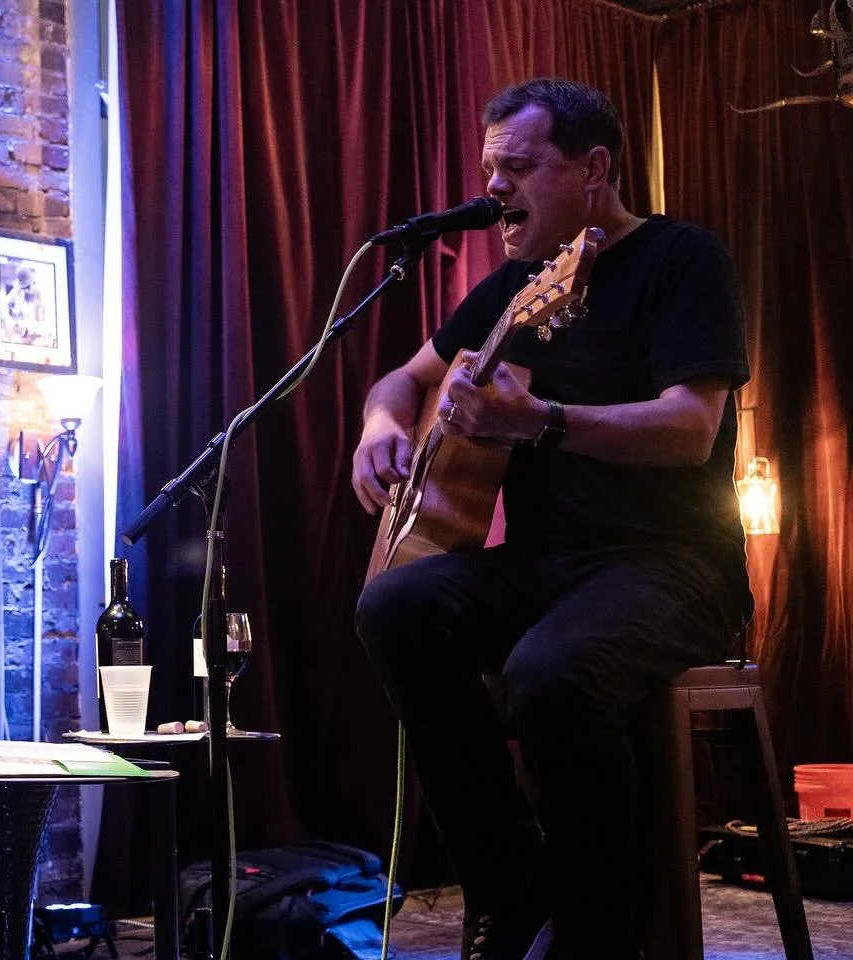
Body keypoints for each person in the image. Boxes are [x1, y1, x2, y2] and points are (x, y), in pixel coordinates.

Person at [351, 78, 750, 960]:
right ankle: (510, 882)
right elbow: (404, 380)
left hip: (673, 564)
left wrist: (541, 421)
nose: (496, 189)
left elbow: (692, 427)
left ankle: (598, 926)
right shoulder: (511, 286)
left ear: (594, 167)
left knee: (550, 670)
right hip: (543, 563)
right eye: (490, 169)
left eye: (520, 168)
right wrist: (381, 425)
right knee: (394, 608)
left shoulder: (684, 261)